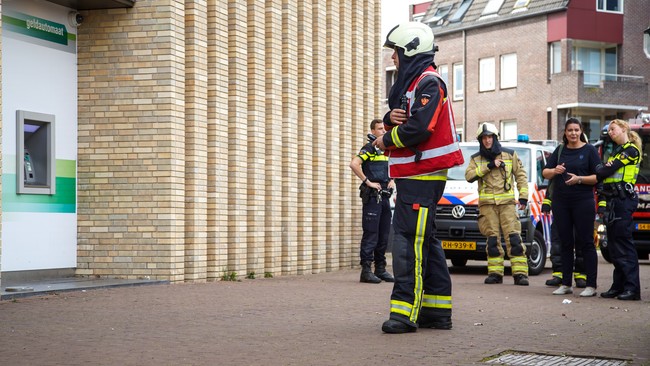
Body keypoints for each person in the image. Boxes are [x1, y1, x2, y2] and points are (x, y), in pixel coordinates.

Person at [373, 22, 464, 334]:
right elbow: (404, 114)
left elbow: (420, 128)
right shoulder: (416, 83)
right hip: (417, 174)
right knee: (428, 242)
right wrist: (388, 120)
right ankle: (437, 312)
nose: (393, 59)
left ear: (410, 50)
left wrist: (386, 140)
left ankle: (404, 314)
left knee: (407, 242)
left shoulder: (430, 82)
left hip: (423, 175)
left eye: (396, 52)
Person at [465, 122, 530, 286]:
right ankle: (495, 273)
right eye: (484, 138)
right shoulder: (476, 159)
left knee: (514, 239)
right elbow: (469, 176)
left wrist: (523, 197)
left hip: (507, 204)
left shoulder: (509, 155)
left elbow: (521, 176)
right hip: (487, 207)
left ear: (495, 138)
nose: (487, 141)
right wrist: (488, 166)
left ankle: (520, 274)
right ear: (480, 140)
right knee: (492, 241)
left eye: (490, 137)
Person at [542, 118, 600, 297]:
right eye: (570, 130)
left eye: (576, 130)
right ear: (565, 133)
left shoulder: (589, 150)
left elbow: (598, 177)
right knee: (566, 243)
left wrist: (579, 179)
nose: (573, 133)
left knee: (586, 242)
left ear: (581, 131)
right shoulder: (560, 150)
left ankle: (591, 285)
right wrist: (555, 171)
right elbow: (545, 172)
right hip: (561, 202)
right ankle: (566, 284)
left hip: (583, 201)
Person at [596, 119, 642, 301]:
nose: (611, 133)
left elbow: (605, 171)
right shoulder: (617, 152)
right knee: (615, 246)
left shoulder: (631, 150)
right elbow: (602, 170)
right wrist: (603, 168)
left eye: (613, 129)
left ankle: (632, 288)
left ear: (624, 128)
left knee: (624, 244)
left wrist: (603, 168)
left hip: (623, 201)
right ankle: (619, 286)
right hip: (614, 201)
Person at [349, 119, 395, 284]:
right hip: (372, 197)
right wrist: (367, 181)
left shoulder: (388, 150)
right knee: (371, 234)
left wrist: (393, 180)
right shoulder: (369, 148)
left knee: (383, 234)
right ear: (373, 131)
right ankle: (366, 270)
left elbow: (395, 166)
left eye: (385, 128)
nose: (383, 131)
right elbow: (354, 164)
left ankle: (380, 269)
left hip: (384, 196)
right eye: (380, 129)